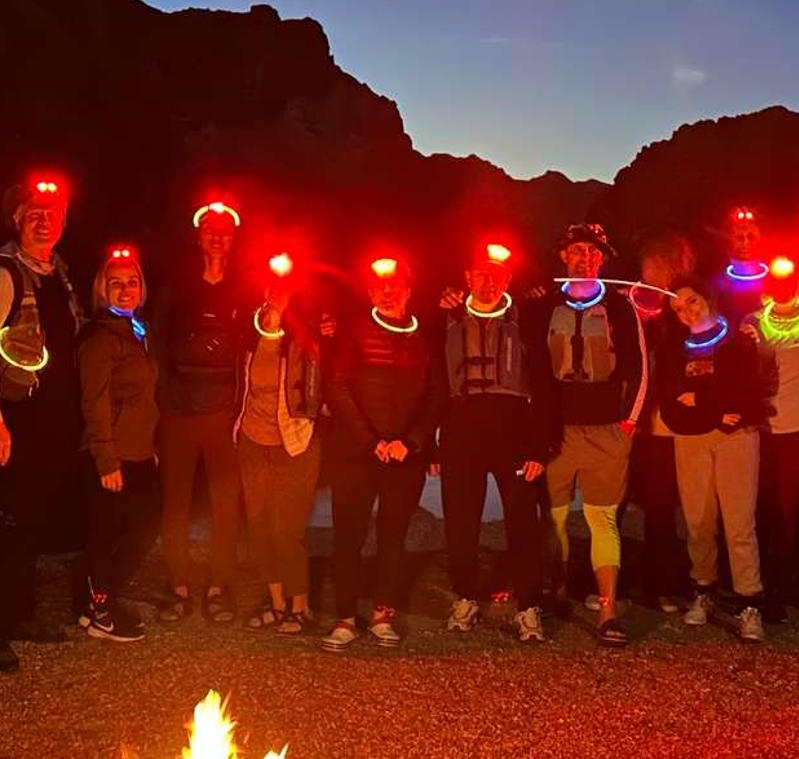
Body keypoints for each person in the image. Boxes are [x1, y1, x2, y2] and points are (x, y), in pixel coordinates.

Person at [0, 178, 86, 671]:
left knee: (31, 523)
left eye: (52, 211)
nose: (44, 218)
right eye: (32, 211)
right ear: (15, 219)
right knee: (3, 526)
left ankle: (20, 613)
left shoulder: (60, 274)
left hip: (51, 425)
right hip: (13, 423)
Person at [434, 243, 557, 643]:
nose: (488, 282)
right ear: (467, 278)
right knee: (461, 521)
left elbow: (544, 384)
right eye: (480, 274)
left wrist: (540, 447)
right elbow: (433, 385)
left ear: (507, 280)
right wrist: (432, 445)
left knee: (523, 521)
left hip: (513, 428)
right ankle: (466, 596)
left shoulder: (529, 319)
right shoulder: (446, 318)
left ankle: (528, 606)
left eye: (497, 275)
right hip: (461, 426)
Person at [321, 256, 444, 651]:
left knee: (393, 537)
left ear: (409, 291)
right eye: (380, 287)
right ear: (371, 292)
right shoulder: (352, 333)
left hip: (405, 457)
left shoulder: (426, 337)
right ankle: (343, 617)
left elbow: (436, 395)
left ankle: (382, 614)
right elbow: (336, 387)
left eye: (396, 286)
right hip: (356, 455)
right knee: (348, 537)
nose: (388, 292)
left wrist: (411, 442)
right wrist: (370, 441)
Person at [537, 222, 647, 647]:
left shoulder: (622, 308)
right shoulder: (544, 304)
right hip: (558, 431)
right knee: (556, 518)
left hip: (606, 431)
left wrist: (629, 424)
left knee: (602, 520)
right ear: (563, 256)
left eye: (592, 252)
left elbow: (639, 367)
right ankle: (558, 589)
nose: (584, 258)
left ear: (602, 259)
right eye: (577, 251)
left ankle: (606, 608)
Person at [154, 200, 250, 624]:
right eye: (210, 229)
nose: (216, 236)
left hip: (223, 414)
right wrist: (159, 403)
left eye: (224, 230)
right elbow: (154, 339)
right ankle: (177, 586)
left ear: (233, 239)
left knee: (225, 504)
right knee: (174, 503)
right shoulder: (175, 285)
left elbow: (262, 337)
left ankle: (218, 586)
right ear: (198, 235)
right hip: (176, 411)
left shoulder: (246, 287)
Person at [658, 280, 766, 643]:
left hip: (736, 439)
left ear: (708, 299)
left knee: (738, 522)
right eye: (678, 308)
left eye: (692, 301)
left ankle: (749, 601)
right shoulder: (674, 348)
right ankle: (703, 590)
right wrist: (716, 409)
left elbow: (746, 391)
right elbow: (671, 399)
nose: (687, 311)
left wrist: (704, 401)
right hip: (690, 441)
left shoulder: (738, 339)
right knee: (698, 520)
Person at [235, 257, 324, 635]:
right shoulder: (246, 332)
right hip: (253, 441)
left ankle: (300, 606)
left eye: (283, 288)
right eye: (270, 286)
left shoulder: (308, 333)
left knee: (287, 529)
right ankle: (276, 603)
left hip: (295, 442)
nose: (276, 294)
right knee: (258, 525)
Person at [77, 246, 161, 643]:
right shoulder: (99, 337)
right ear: (102, 289)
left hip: (140, 450)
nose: (125, 290)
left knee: (141, 528)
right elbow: (93, 402)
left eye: (132, 282)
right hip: (115, 454)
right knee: (110, 535)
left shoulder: (136, 329)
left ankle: (97, 601)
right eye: (116, 283)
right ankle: (101, 612)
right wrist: (106, 459)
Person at [746, 253, 799, 620]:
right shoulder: (751, 323)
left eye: (788, 280)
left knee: (790, 512)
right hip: (757, 430)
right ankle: (757, 583)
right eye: (774, 281)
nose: (781, 287)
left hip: (796, 433)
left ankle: (785, 586)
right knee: (757, 508)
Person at [625, 233, 695, 614]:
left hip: (665, 427)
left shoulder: (684, 312)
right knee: (616, 501)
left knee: (661, 505)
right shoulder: (633, 307)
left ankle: (660, 582)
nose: (648, 279)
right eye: (644, 272)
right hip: (631, 421)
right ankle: (611, 581)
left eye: (656, 271)